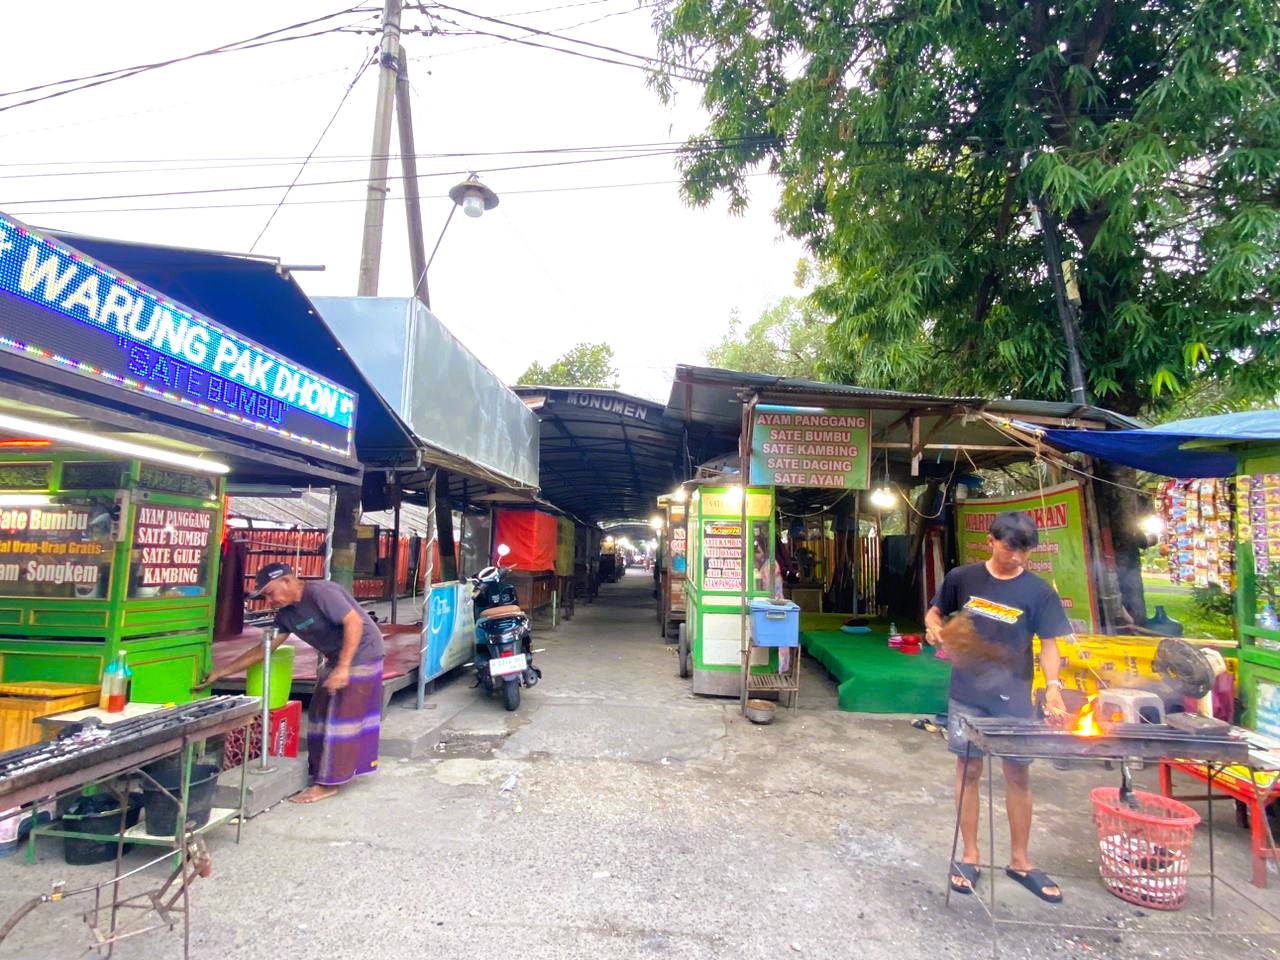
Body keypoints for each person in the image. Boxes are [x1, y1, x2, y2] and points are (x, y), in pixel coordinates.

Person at [924, 512, 1072, 904]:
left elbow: (1051, 645)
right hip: (967, 692)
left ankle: (1020, 861)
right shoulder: (963, 578)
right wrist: (934, 627)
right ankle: (970, 856)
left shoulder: (1039, 592)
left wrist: (1053, 687)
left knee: (1018, 774)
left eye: (1025, 551)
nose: (1017, 557)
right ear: (991, 541)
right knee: (968, 769)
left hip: (1014, 695)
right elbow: (935, 611)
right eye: (1010, 548)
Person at [196, 563, 385, 804]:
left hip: (363, 650)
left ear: (286, 581)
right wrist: (222, 672)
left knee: (340, 714)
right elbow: (264, 649)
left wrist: (344, 667)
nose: (269, 601)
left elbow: (354, 622)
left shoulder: (321, 593)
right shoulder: (286, 615)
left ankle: (329, 783)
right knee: (319, 712)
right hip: (337, 656)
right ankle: (322, 770)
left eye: (269, 593)